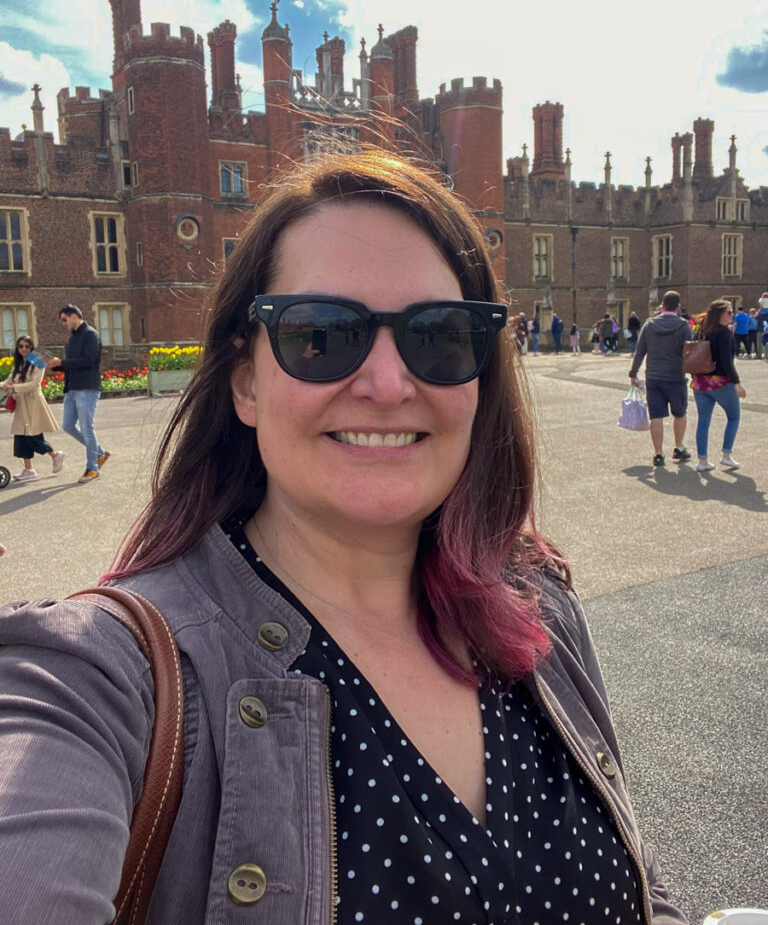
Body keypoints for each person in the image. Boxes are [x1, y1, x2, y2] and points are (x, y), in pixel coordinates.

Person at [0, 151, 686, 925]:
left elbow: (640, 888)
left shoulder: (538, 605)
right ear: (246, 381)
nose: (389, 385)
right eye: (322, 334)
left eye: (441, 336)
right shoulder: (100, 678)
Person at [44, 304, 110, 483]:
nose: (64, 324)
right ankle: (100, 452)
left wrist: (63, 362)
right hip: (72, 388)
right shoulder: (72, 339)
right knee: (68, 425)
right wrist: (57, 366)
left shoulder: (90, 334)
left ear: (74, 316)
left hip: (87, 388)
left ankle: (92, 468)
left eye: (64, 319)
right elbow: (73, 364)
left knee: (87, 428)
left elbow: (88, 361)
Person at [629, 290, 693, 466]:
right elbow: (690, 353)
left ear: (662, 305)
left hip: (654, 377)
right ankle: (678, 448)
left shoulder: (649, 325)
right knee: (680, 413)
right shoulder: (684, 326)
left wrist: (633, 373)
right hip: (675, 376)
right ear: (678, 307)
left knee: (656, 416)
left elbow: (640, 351)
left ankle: (658, 454)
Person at [690, 299, 746, 472]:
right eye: (729, 312)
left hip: (700, 382)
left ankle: (702, 460)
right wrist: (737, 383)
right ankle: (726, 455)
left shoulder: (701, 331)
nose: (732, 315)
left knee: (703, 421)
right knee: (734, 417)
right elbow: (727, 362)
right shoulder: (723, 334)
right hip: (720, 382)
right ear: (720, 315)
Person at [0, 335, 65, 482]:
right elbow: (9, 380)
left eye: (27, 346)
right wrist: (4, 384)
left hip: (33, 402)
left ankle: (56, 455)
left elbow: (35, 384)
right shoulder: (19, 363)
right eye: (20, 346)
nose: (23, 349)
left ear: (32, 347)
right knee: (21, 436)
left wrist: (13, 387)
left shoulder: (38, 360)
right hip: (22, 403)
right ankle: (29, 469)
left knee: (32, 435)